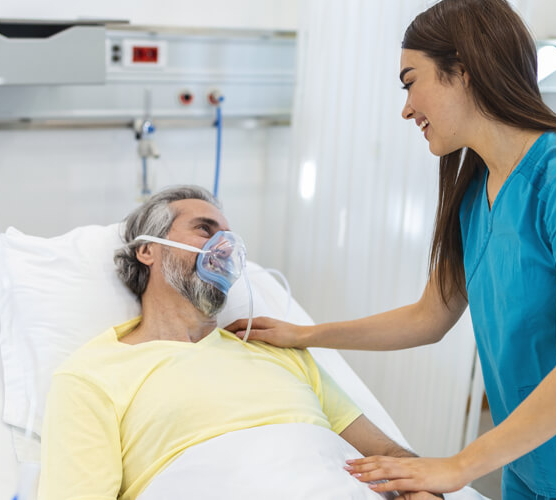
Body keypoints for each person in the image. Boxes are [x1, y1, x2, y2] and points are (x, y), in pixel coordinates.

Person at [225, 1, 556, 498]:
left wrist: (458, 467)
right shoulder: (475, 191)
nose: (406, 106)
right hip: (531, 468)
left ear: (464, 72)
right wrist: (306, 334)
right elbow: (428, 318)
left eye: (410, 81)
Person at [37, 186, 438, 500]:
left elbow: (394, 457)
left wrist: (423, 493)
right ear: (147, 250)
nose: (224, 249)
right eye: (205, 230)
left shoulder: (275, 350)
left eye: (230, 239)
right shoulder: (92, 375)